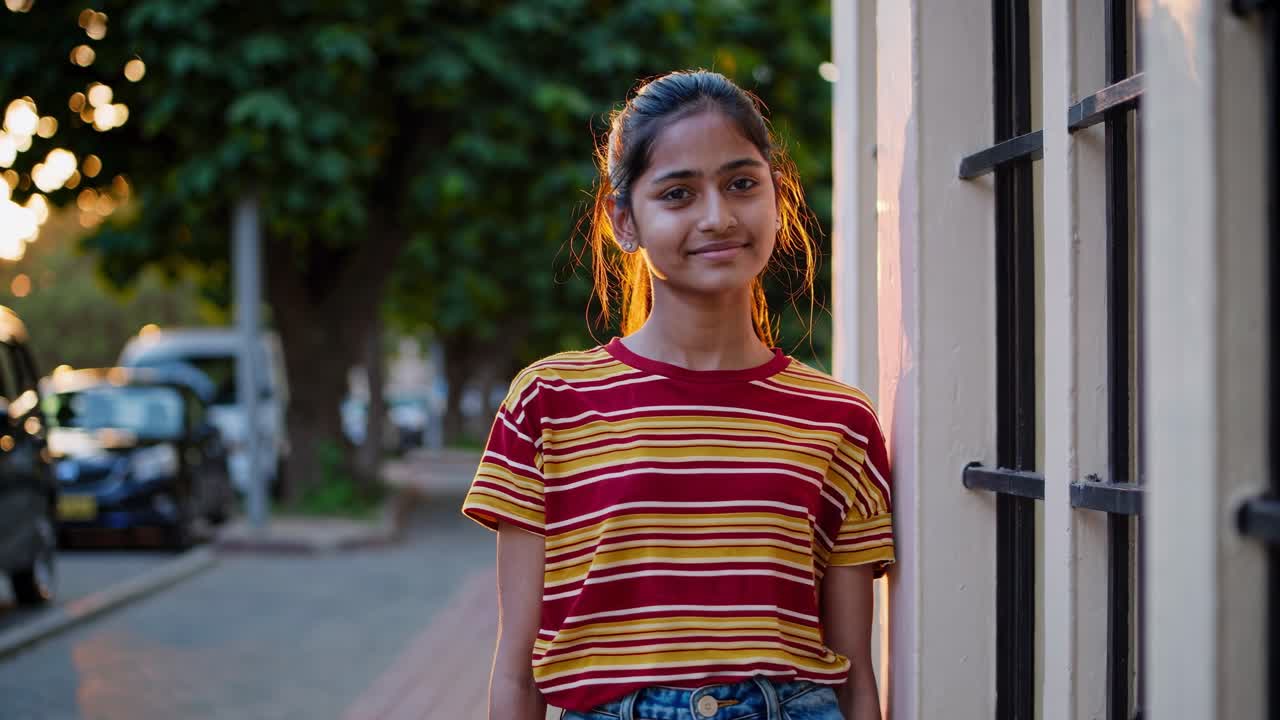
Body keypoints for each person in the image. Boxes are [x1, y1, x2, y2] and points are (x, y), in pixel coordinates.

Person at [462, 69, 894, 720]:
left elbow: (856, 678)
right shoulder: (548, 405)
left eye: (741, 184)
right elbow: (517, 675)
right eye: (678, 193)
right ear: (623, 221)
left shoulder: (839, 420)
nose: (717, 217)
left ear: (777, 199)